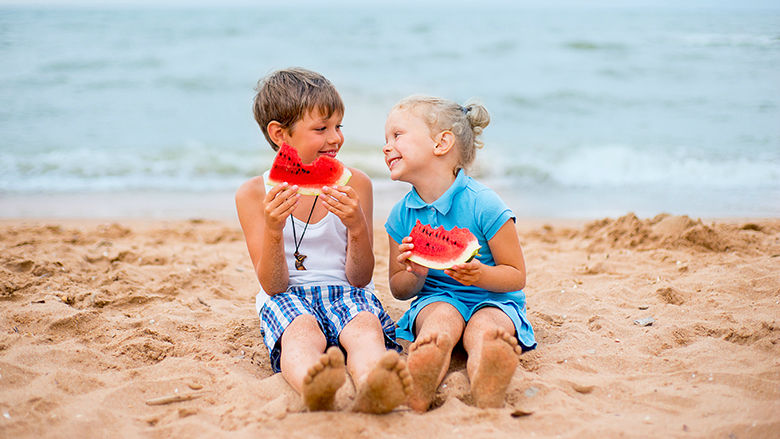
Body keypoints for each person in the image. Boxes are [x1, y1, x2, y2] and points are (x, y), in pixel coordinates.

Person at [236, 67, 411, 413]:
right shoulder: (253, 194)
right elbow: (273, 285)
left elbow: (360, 278)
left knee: (365, 331)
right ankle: (313, 386)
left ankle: (374, 383)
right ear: (279, 134)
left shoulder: (355, 184)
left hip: (347, 291)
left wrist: (356, 226)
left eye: (338, 126)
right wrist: (274, 229)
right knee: (300, 336)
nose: (336, 138)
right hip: (287, 295)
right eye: (321, 129)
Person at [382, 95, 536, 411]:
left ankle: (487, 380)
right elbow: (399, 290)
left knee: (486, 328)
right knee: (440, 321)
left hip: (495, 299)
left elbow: (516, 275)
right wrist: (416, 272)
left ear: (442, 143)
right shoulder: (401, 216)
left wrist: (480, 275)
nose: (386, 146)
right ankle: (423, 374)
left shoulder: (485, 204)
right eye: (385, 139)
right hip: (435, 299)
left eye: (397, 135)